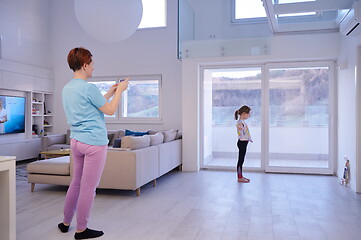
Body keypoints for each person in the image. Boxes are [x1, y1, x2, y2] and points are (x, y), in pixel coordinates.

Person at [58, 47, 129, 239]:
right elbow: (110, 110)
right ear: (84, 64)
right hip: (94, 143)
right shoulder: (89, 88)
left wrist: (110, 92)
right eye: (92, 64)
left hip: (76, 141)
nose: (93, 67)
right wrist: (120, 92)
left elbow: (92, 105)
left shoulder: (67, 88)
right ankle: (81, 229)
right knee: (89, 188)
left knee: (76, 183)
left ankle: (65, 223)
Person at [234, 105, 252, 183]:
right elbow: (240, 130)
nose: (249, 115)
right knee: (240, 160)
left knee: (242, 160)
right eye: (248, 114)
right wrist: (240, 127)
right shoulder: (240, 122)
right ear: (244, 113)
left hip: (243, 142)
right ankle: (239, 177)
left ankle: (240, 176)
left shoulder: (242, 122)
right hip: (242, 143)